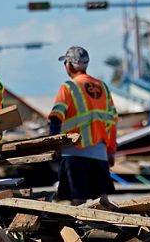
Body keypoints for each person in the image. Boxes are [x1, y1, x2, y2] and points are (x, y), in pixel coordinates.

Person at [48, 45, 118, 203]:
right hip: (99, 154)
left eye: (65, 62)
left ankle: (82, 227)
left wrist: (53, 144)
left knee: (78, 202)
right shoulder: (103, 87)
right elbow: (112, 122)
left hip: (74, 153)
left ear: (70, 65)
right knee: (101, 202)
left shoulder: (69, 87)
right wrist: (111, 150)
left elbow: (56, 118)